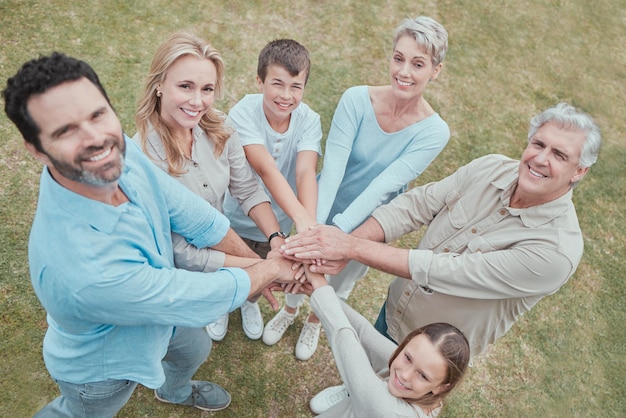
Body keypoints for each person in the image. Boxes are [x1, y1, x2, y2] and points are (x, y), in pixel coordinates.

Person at [3, 52, 299, 417]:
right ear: (35, 149)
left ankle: (174, 392)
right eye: (65, 130)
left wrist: (260, 262)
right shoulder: (81, 267)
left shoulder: (119, 154)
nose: (96, 138)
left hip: (165, 319)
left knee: (195, 349)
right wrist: (271, 270)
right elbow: (190, 296)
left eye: (97, 114)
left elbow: (193, 214)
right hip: (104, 368)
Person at [282, 102, 601, 407]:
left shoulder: (557, 251)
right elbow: (418, 204)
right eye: (538, 144)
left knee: (396, 402)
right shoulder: (491, 167)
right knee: (373, 366)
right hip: (399, 307)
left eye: (559, 154)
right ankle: (354, 391)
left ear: (580, 170)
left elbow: (448, 271)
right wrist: (346, 247)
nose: (540, 158)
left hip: (436, 354)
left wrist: (350, 247)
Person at [265, 15, 450, 359]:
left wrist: (336, 237)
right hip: (319, 205)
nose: (404, 72)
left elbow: (384, 186)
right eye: (399, 58)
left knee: (338, 278)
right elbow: (332, 168)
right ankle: (289, 311)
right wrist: (314, 231)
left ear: (435, 70)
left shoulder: (434, 132)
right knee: (299, 258)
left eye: (418, 64)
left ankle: (314, 322)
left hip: (366, 224)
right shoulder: (355, 99)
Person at [133, 31, 285, 342]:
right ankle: (224, 301)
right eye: (185, 86)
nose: (197, 102)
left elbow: (247, 189)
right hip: (179, 276)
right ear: (159, 85)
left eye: (207, 89)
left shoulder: (221, 127)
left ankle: (240, 296)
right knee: (192, 346)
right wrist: (261, 269)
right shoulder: (142, 160)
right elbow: (182, 253)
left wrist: (275, 239)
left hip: (219, 247)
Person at [222, 38, 323, 360]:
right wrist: (304, 220)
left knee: (265, 267)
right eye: (277, 84)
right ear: (259, 81)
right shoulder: (242, 113)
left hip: (277, 223)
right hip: (234, 216)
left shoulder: (309, 120)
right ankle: (222, 306)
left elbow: (306, 172)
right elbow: (264, 168)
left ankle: (249, 301)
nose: (286, 95)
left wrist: (306, 229)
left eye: (296, 87)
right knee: (227, 269)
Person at [301, 272, 469, 416]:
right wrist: (315, 290)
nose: (405, 375)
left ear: (441, 388)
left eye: (423, 375)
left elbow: (343, 337)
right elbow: (363, 332)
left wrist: (319, 284)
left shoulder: (388, 412)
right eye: (408, 357)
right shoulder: (430, 393)